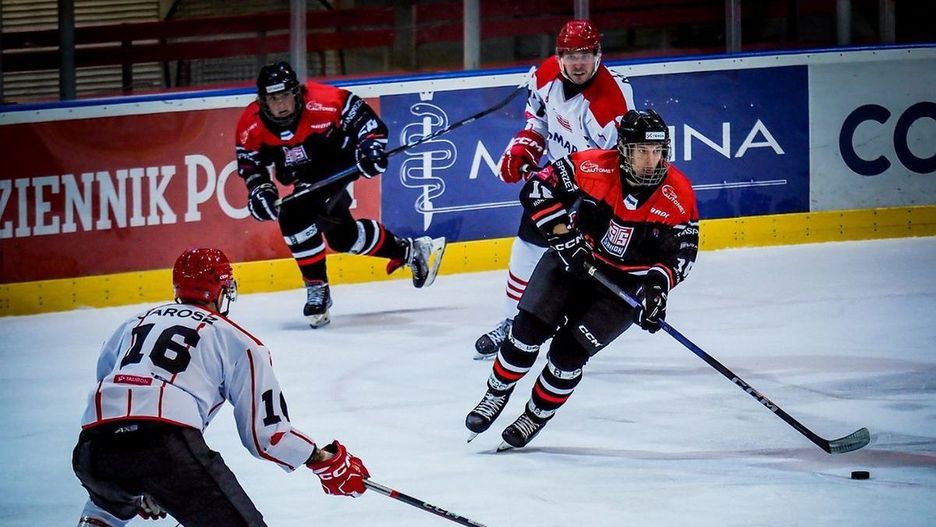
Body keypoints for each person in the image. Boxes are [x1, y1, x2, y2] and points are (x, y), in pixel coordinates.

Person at [73, 248, 370, 526]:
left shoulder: (133, 324)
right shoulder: (238, 341)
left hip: (94, 448)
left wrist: (145, 479)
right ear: (221, 290)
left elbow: (109, 384)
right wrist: (321, 459)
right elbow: (266, 436)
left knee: (106, 508)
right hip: (165, 447)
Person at [465, 109, 699, 450]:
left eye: (658, 151)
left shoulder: (679, 194)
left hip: (622, 287)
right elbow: (535, 190)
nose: (652, 160)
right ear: (623, 150)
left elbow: (683, 254)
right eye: (642, 151)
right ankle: (495, 395)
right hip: (573, 262)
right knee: (526, 331)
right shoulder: (592, 166)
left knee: (568, 355)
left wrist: (656, 291)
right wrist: (564, 237)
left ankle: (535, 415)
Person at [236, 61, 446, 328]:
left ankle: (317, 289)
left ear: (297, 93)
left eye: (286, 95)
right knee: (342, 237)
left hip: (337, 162)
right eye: (273, 98)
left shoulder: (326, 100)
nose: (281, 104)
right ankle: (410, 251)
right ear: (263, 102)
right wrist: (259, 190)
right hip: (303, 174)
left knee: (292, 215)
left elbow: (370, 124)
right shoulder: (250, 125)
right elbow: (250, 166)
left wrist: (371, 150)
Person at [474, 19, 634, 358]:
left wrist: (594, 209)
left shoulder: (610, 104)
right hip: (562, 174)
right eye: (570, 55)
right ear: (559, 56)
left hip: (598, 186)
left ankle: (571, 326)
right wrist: (528, 143)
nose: (578, 63)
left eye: (586, 55)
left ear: (598, 55)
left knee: (576, 260)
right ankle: (510, 322)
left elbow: (622, 168)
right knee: (528, 239)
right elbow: (537, 117)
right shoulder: (547, 74)